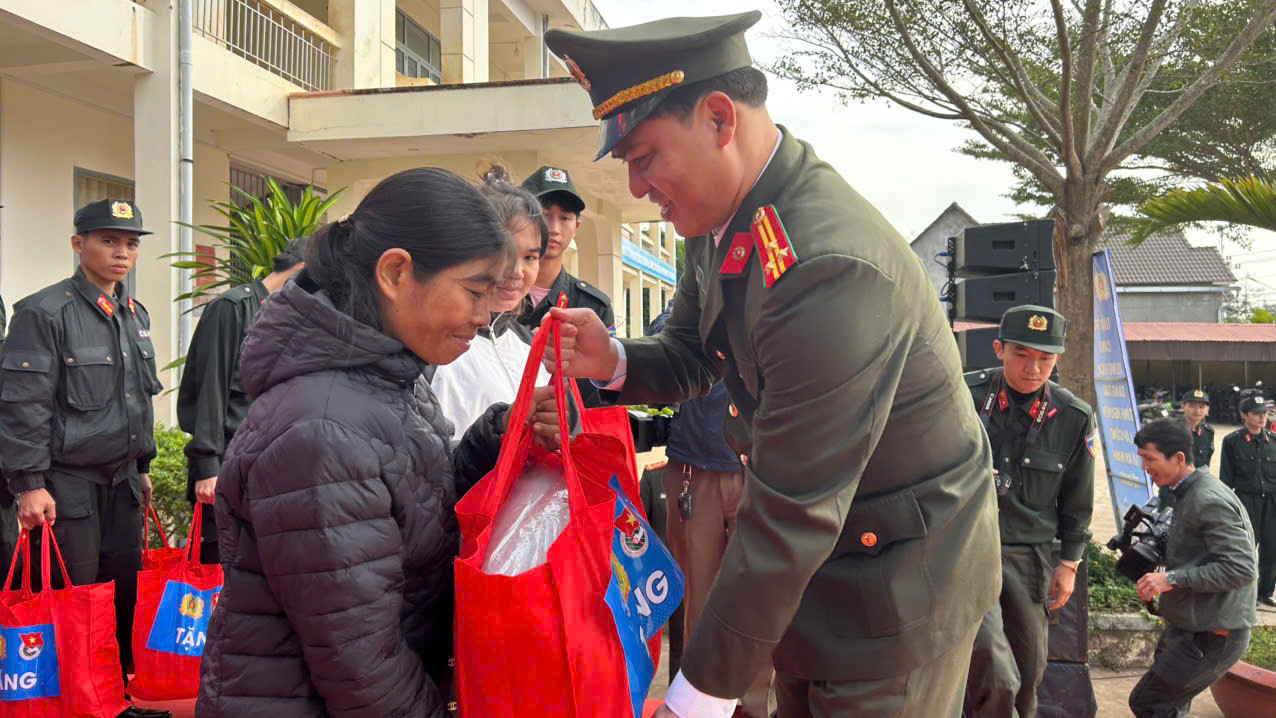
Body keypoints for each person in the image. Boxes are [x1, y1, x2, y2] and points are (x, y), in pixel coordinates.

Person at [541, 12, 1001, 717]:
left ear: (720, 119)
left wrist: (694, 700)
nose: (637, 188)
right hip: (823, 568)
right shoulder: (721, 216)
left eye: (645, 157)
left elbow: (791, 513)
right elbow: (698, 355)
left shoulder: (825, 265)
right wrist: (615, 358)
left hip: (897, 587)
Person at [195, 168, 516, 717]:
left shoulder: (381, 378)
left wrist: (495, 437)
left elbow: (412, 511)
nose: (485, 316)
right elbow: (362, 666)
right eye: (474, 291)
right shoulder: (320, 428)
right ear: (395, 272)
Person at [0, 198, 168, 718]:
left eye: (131, 244)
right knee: (73, 596)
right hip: (65, 482)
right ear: (79, 245)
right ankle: (71, 701)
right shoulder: (44, 312)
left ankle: (111, 698)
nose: (122, 252)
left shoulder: (131, 315)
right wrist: (29, 483)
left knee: (119, 591)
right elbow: (22, 405)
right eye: (108, 240)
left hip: (119, 481)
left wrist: (142, 469)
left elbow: (137, 399)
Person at [963, 305, 1095, 718]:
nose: (1033, 367)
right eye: (1021, 354)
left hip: (1027, 555)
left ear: (1057, 357)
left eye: (1045, 357)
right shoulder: (963, 396)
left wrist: (1070, 563)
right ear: (999, 349)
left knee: (1028, 669)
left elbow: (1078, 497)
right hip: (965, 549)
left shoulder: (1073, 416)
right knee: (993, 668)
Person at [648, 300, 772, 716]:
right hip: (693, 473)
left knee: (760, 601)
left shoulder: (770, 296)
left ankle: (749, 708)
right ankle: (691, 707)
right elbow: (666, 347)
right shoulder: (686, 307)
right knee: (699, 604)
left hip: (761, 472)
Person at [176, 237, 307, 565]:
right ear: (302, 272)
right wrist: (207, 465)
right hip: (227, 466)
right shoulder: (233, 307)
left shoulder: (291, 317)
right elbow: (210, 386)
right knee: (221, 568)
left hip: (268, 467)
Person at [1128, 418, 1257, 716]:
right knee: (1168, 706)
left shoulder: (1207, 499)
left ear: (1179, 458)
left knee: (1149, 703)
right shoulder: (1188, 493)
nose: (1145, 467)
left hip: (1214, 635)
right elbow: (1202, 553)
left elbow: (1241, 568)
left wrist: (1172, 578)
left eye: (1150, 459)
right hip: (1192, 626)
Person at [430, 166, 552, 441]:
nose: (517, 271)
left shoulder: (531, 347)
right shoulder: (432, 348)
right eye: (504, 252)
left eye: (530, 257)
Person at [518, 165, 615, 408]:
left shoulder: (594, 307)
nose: (553, 228)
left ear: (577, 227)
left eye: (565, 218)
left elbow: (600, 394)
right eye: (543, 214)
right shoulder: (495, 297)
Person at [1219, 394, 1276, 608]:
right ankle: (1244, 593)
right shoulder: (1232, 441)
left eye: (1265, 413)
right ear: (1244, 415)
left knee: (1272, 549)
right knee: (1245, 549)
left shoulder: (1274, 441)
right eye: (1257, 413)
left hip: (1272, 503)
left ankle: (1266, 592)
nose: (1263, 418)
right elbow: (1226, 478)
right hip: (1246, 502)